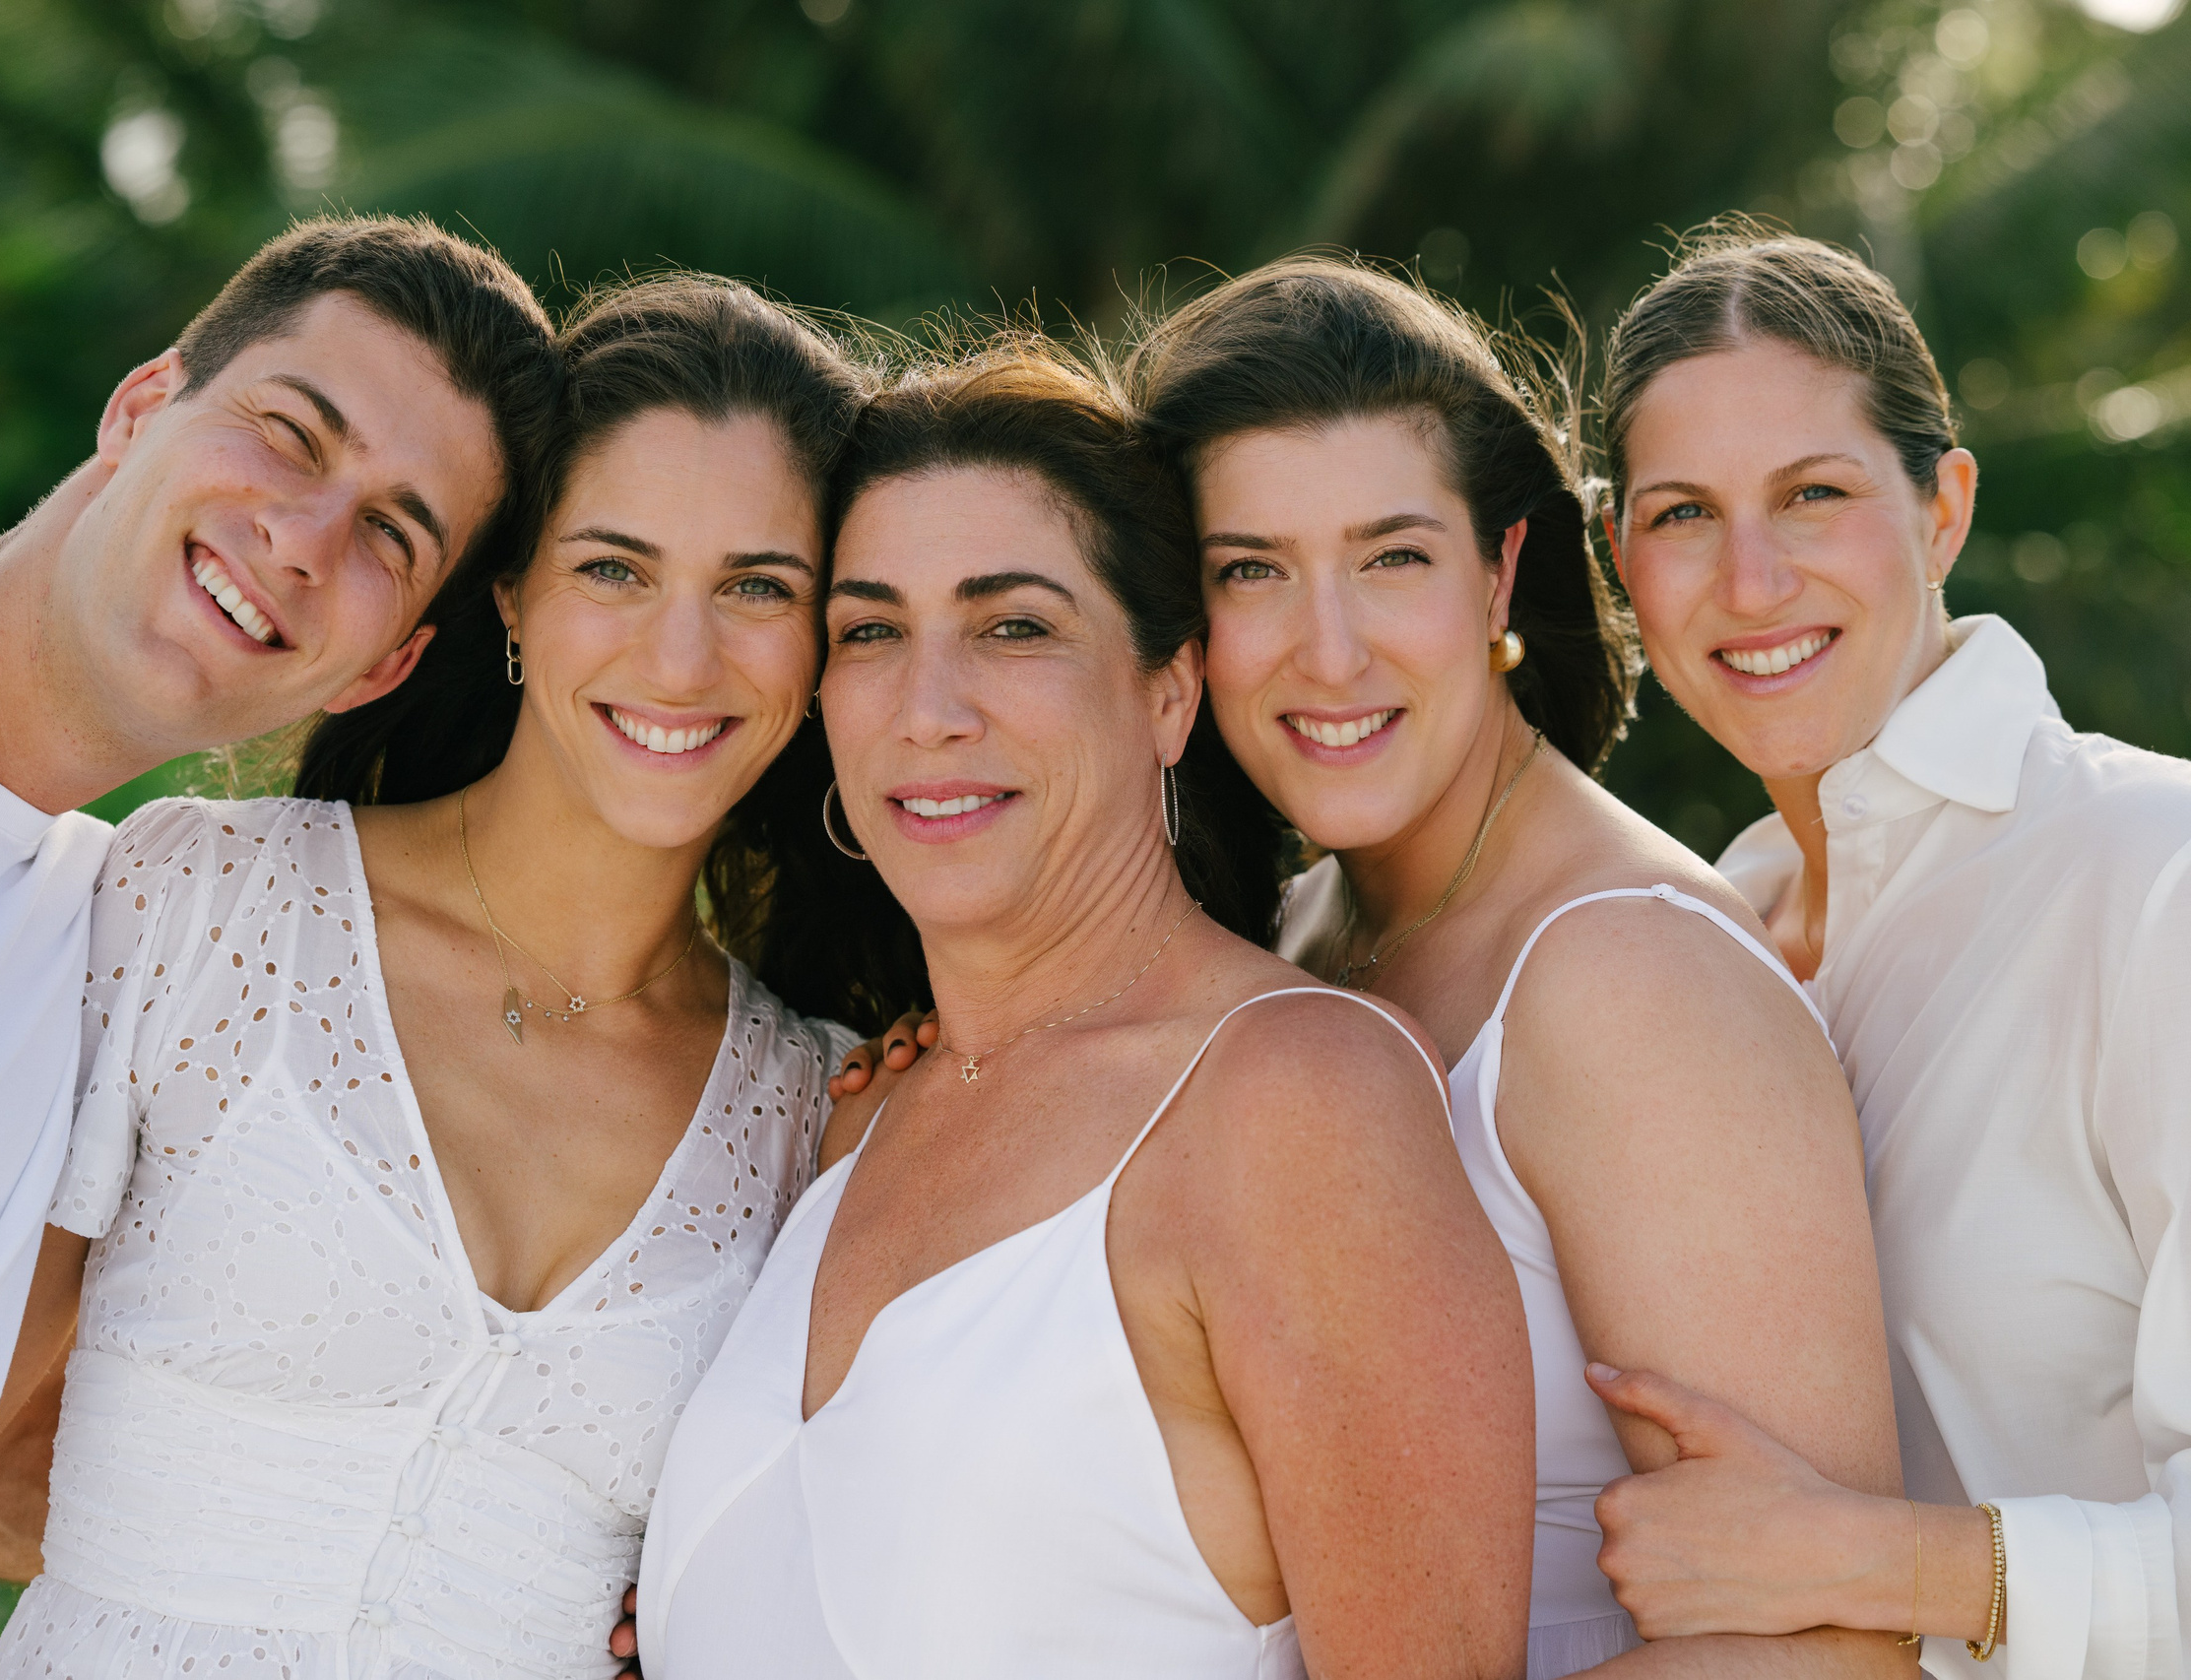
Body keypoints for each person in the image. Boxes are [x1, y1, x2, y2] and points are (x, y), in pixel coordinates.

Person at [0, 274, 908, 1680]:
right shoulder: (201, 904)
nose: (681, 654)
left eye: (759, 587)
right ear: (511, 593)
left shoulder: (819, 1111)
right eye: (614, 568)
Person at [0, 214, 556, 1677]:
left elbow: (21, 1477)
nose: (303, 539)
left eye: (390, 537)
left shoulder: (126, 948)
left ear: (386, 664)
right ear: (142, 405)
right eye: (291, 434)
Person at [638, 339, 1537, 1679]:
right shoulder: (857, 1115)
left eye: (1015, 627)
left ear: (1167, 693)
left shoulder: (1295, 1104)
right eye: (871, 631)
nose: (929, 709)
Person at [1112, 255, 1910, 1679]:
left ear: (1499, 574)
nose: (1330, 651)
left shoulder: (1631, 980)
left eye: (1393, 558)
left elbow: (1833, 1656)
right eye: (1253, 571)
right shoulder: (1298, 932)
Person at [1582, 227, 2191, 1680]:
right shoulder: (1703, 931)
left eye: (1814, 494)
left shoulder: (2151, 874)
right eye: (1683, 514)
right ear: (1620, 562)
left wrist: (1868, 1561)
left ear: (1943, 510)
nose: (1750, 580)